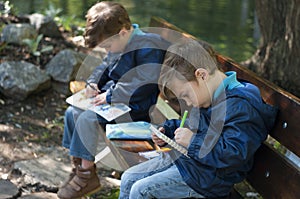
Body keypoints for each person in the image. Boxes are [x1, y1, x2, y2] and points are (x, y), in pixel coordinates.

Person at [119, 39, 278, 198]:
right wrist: (168, 129)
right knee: (128, 178)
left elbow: (233, 154)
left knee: (141, 190)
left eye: (186, 95)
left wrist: (193, 141)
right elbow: (194, 126)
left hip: (209, 180)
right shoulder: (211, 96)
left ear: (202, 75)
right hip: (192, 165)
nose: (188, 103)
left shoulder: (241, 107)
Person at [57, 1, 169, 198]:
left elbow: (144, 83)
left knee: (87, 119)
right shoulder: (119, 42)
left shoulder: (148, 46)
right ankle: (81, 170)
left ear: (124, 32)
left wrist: (109, 95)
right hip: (115, 104)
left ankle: (86, 179)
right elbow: (104, 68)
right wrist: (93, 84)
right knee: (71, 112)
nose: (107, 51)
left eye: (108, 46)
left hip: (136, 110)